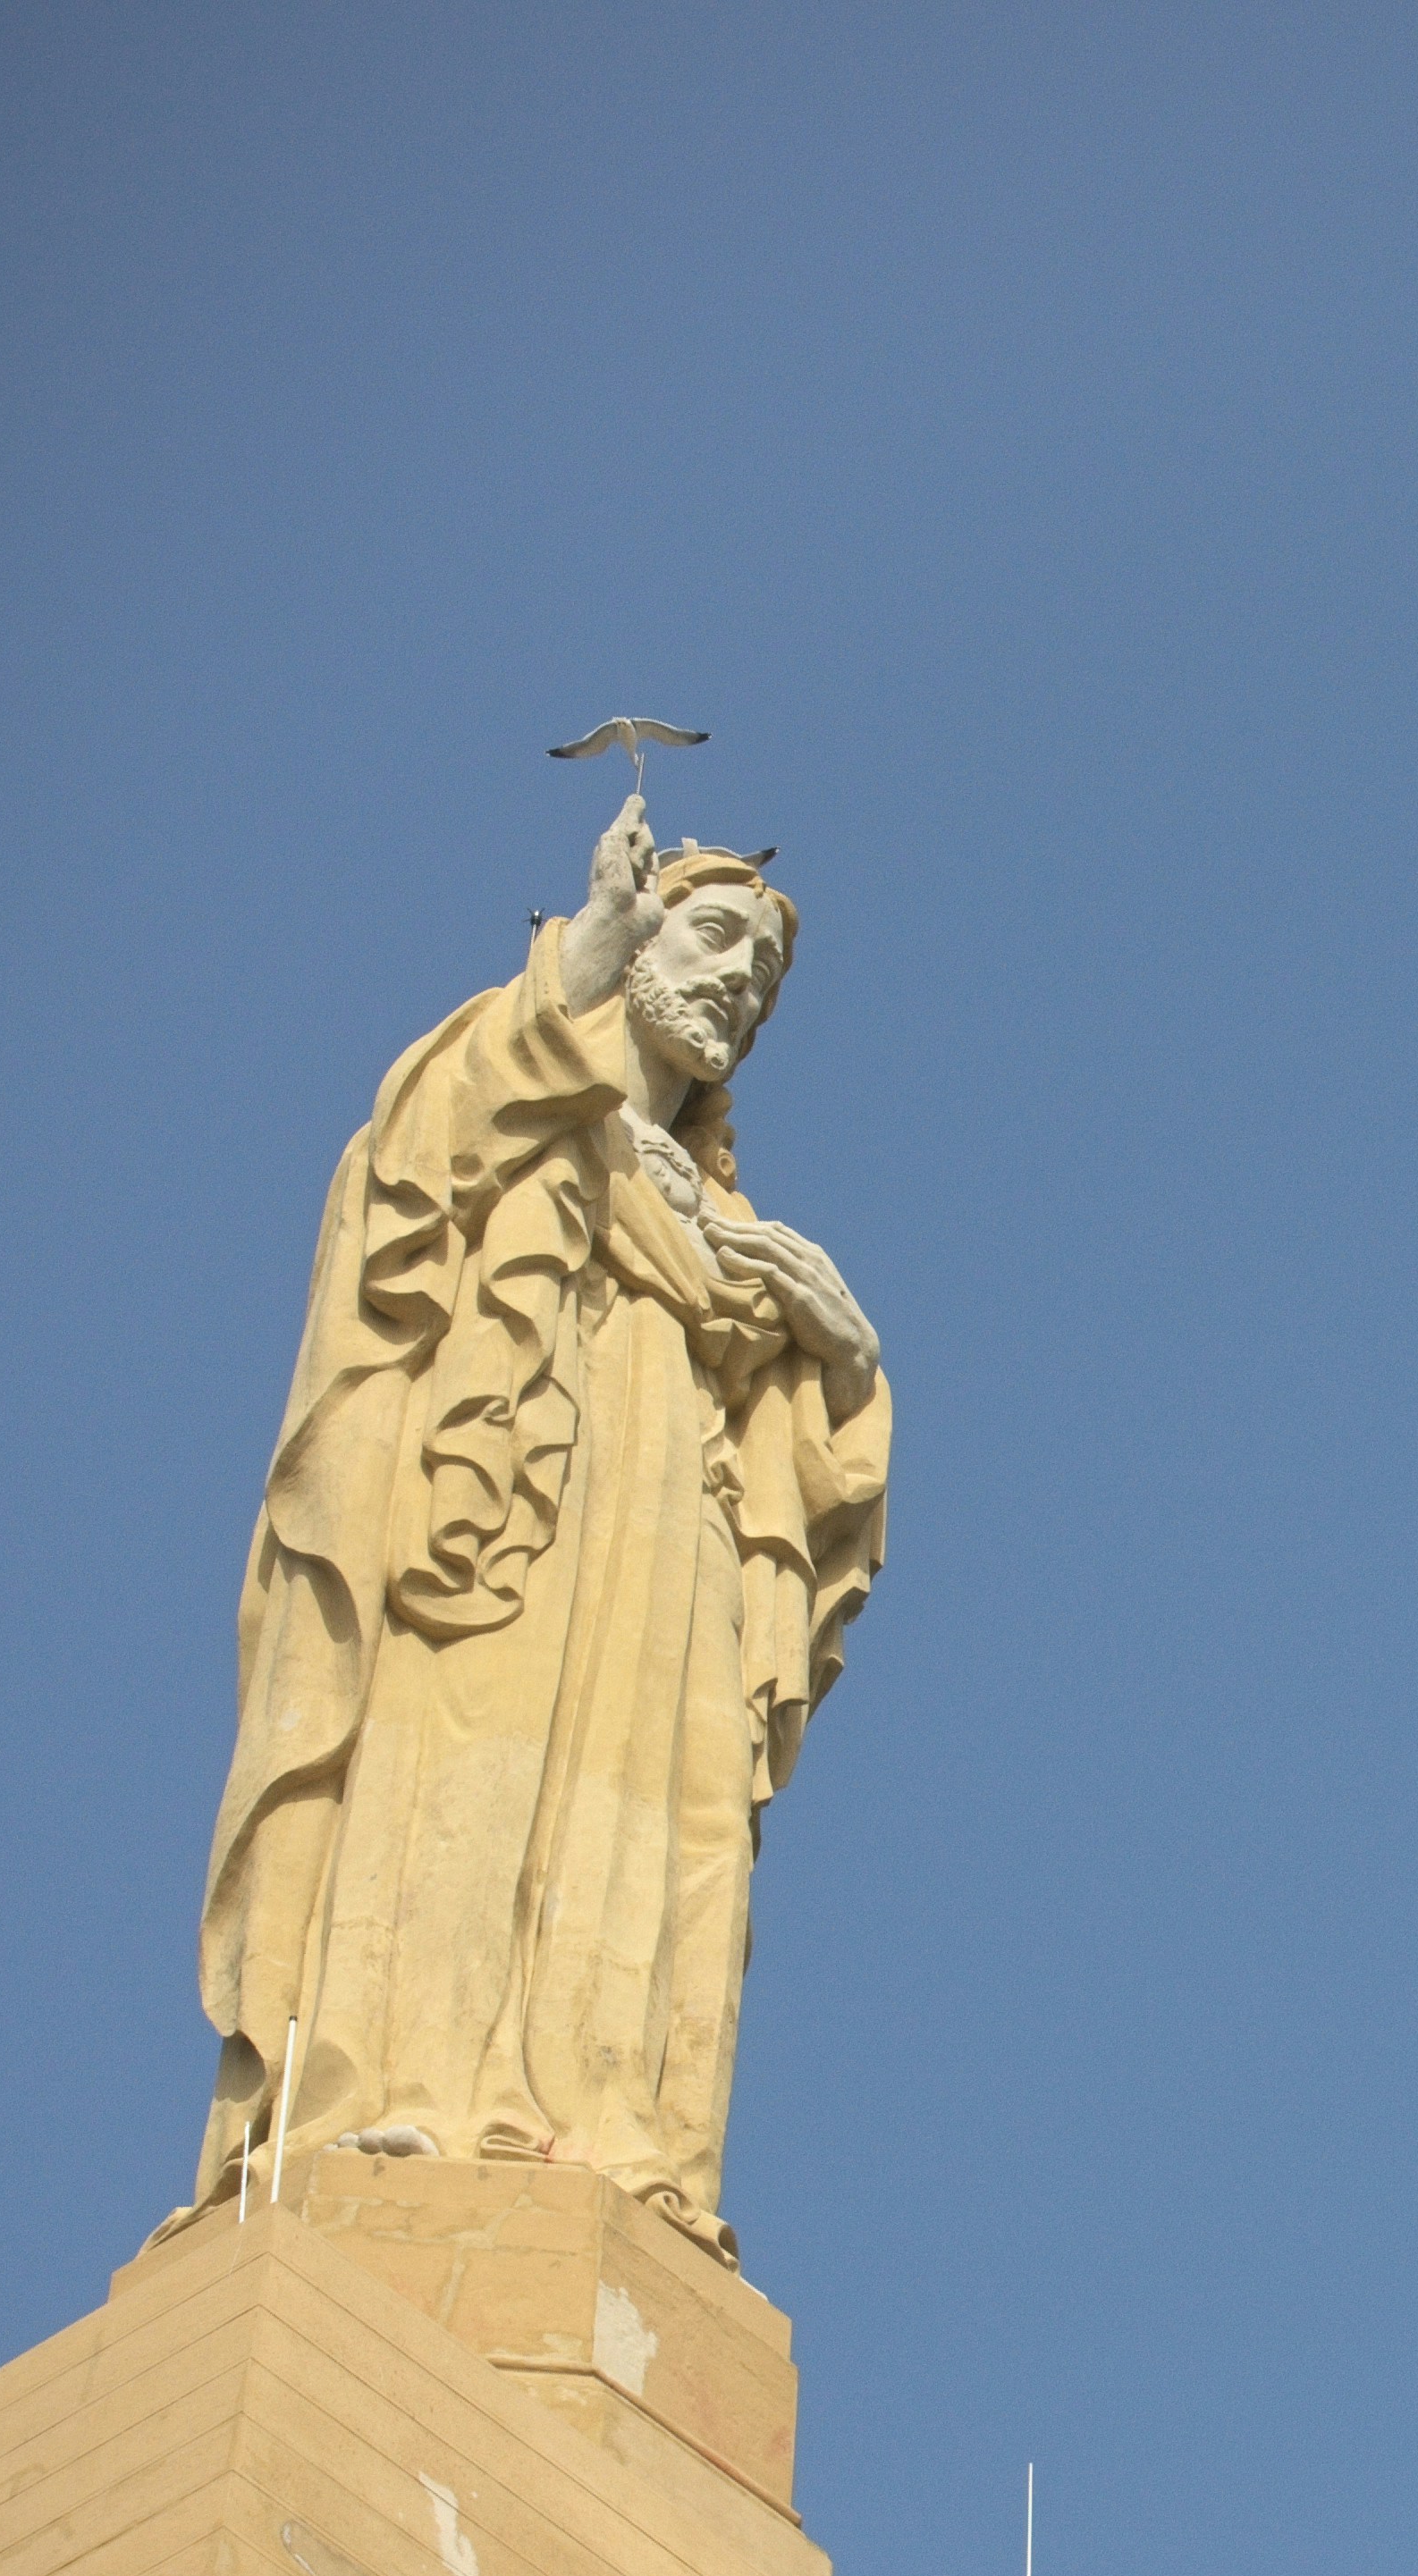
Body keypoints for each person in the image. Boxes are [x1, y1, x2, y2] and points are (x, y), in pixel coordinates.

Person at [185, 793, 890, 2259]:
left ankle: (629, 2153)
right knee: (464, 1763)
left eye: (761, 978)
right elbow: (399, 1183)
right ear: (628, 936)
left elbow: (815, 1506)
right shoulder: (508, 1064)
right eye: (712, 938)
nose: (736, 987)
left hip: (671, 1540)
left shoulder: (739, 1241)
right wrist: (567, 982)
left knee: (668, 1822)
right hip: (499, 1510)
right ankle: (401, 2096)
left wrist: (845, 1355)